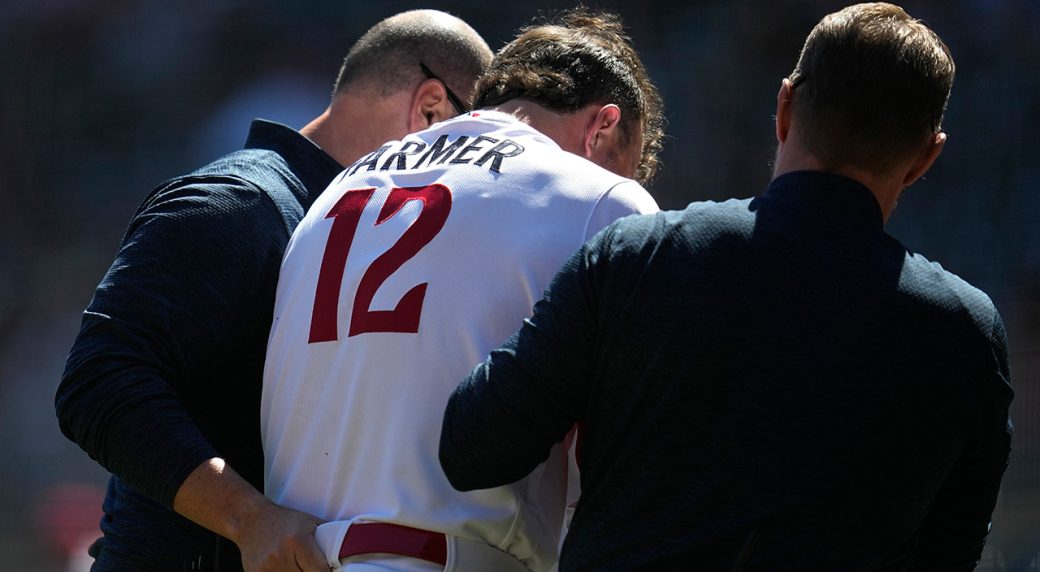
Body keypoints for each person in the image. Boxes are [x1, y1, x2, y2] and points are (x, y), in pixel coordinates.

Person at [439, 3, 1014, 570]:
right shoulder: (964, 333)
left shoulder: (638, 256)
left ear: (785, 106)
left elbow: (473, 448)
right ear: (924, 158)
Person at [55, 10, 491, 572]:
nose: (474, 167)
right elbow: (96, 382)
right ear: (429, 107)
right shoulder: (242, 201)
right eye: (467, 136)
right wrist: (249, 518)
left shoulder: (345, 226)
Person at [260, 9, 664, 571]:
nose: (626, 183)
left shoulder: (340, 186)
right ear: (603, 127)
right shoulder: (602, 198)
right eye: (626, 163)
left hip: (294, 554)